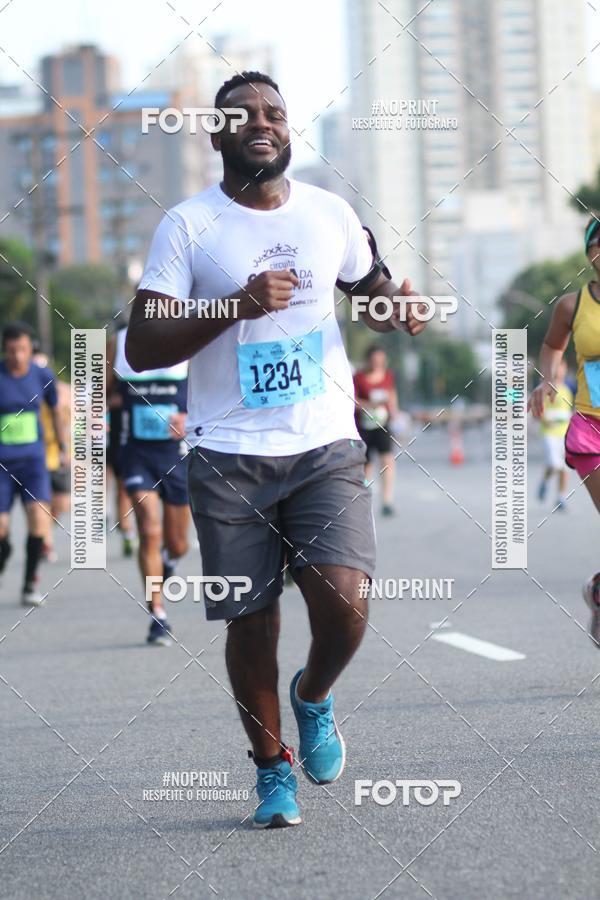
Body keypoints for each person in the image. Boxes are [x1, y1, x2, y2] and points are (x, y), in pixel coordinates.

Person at [125, 71, 426, 828]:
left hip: (324, 440)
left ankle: (313, 695)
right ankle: (270, 770)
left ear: (289, 130)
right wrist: (237, 304)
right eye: (244, 114)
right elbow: (143, 341)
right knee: (250, 621)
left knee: (346, 602)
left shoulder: (330, 213)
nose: (263, 123)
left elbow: (373, 289)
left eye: (276, 113)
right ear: (217, 134)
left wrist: (399, 309)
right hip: (227, 455)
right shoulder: (187, 226)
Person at [529, 216, 600, 644]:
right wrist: (548, 378)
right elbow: (553, 346)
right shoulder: (572, 307)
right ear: (590, 253)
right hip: (591, 430)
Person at [107, 327, 190, 646]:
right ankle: (158, 614)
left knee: (178, 544)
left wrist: (190, 416)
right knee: (149, 528)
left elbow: (211, 389)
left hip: (175, 454)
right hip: (135, 451)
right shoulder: (120, 341)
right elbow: (97, 388)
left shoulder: (189, 335)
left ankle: (165, 568)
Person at [0, 323, 68, 605]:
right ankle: (5, 550)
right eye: (12, 350)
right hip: (2, 465)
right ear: (5, 349)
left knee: (39, 520)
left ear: (31, 349)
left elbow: (55, 412)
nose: (18, 356)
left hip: (33, 462)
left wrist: (63, 448)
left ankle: (29, 583)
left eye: (23, 350)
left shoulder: (42, 376)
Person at [353, 345, 401, 516]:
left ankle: (387, 500)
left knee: (387, 460)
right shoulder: (358, 377)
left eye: (381, 360)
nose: (378, 363)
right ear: (368, 360)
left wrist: (394, 412)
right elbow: (353, 400)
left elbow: (392, 394)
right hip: (364, 426)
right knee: (366, 464)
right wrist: (368, 406)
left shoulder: (388, 375)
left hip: (383, 424)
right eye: (374, 360)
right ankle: (364, 501)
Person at [34, 352, 71, 561]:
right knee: (42, 502)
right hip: (38, 454)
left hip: (61, 454)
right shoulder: (28, 393)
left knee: (62, 503)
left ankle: (41, 530)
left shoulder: (65, 392)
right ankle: (45, 543)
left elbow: (80, 418)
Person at [106, 324, 137, 558]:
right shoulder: (115, 346)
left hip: (162, 432)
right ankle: (127, 532)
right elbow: (100, 389)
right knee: (123, 484)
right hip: (121, 428)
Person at [536, 358, 573, 511]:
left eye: (561, 367)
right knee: (555, 464)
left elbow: (569, 412)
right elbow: (538, 410)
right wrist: (545, 418)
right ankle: (544, 482)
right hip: (549, 432)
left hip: (564, 433)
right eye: (556, 367)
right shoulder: (545, 388)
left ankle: (561, 498)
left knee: (564, 467)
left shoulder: (567, 390)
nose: (559, 370)